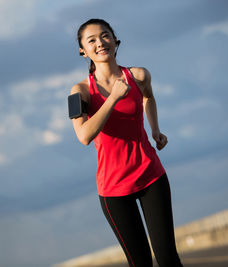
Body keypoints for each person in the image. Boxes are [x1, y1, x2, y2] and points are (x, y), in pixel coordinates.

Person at [69, 18, 183, 267]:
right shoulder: (80, 92)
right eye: (92, 40)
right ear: (83, 50)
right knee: (140, 263)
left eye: (105, 36)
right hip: (113, 190)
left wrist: (155, 129)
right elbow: (84, 136)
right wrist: (112, 99)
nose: (100, 43)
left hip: (151, 175)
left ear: (115, 40)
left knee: (168, 259)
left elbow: (148, 97)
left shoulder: (138, 75)